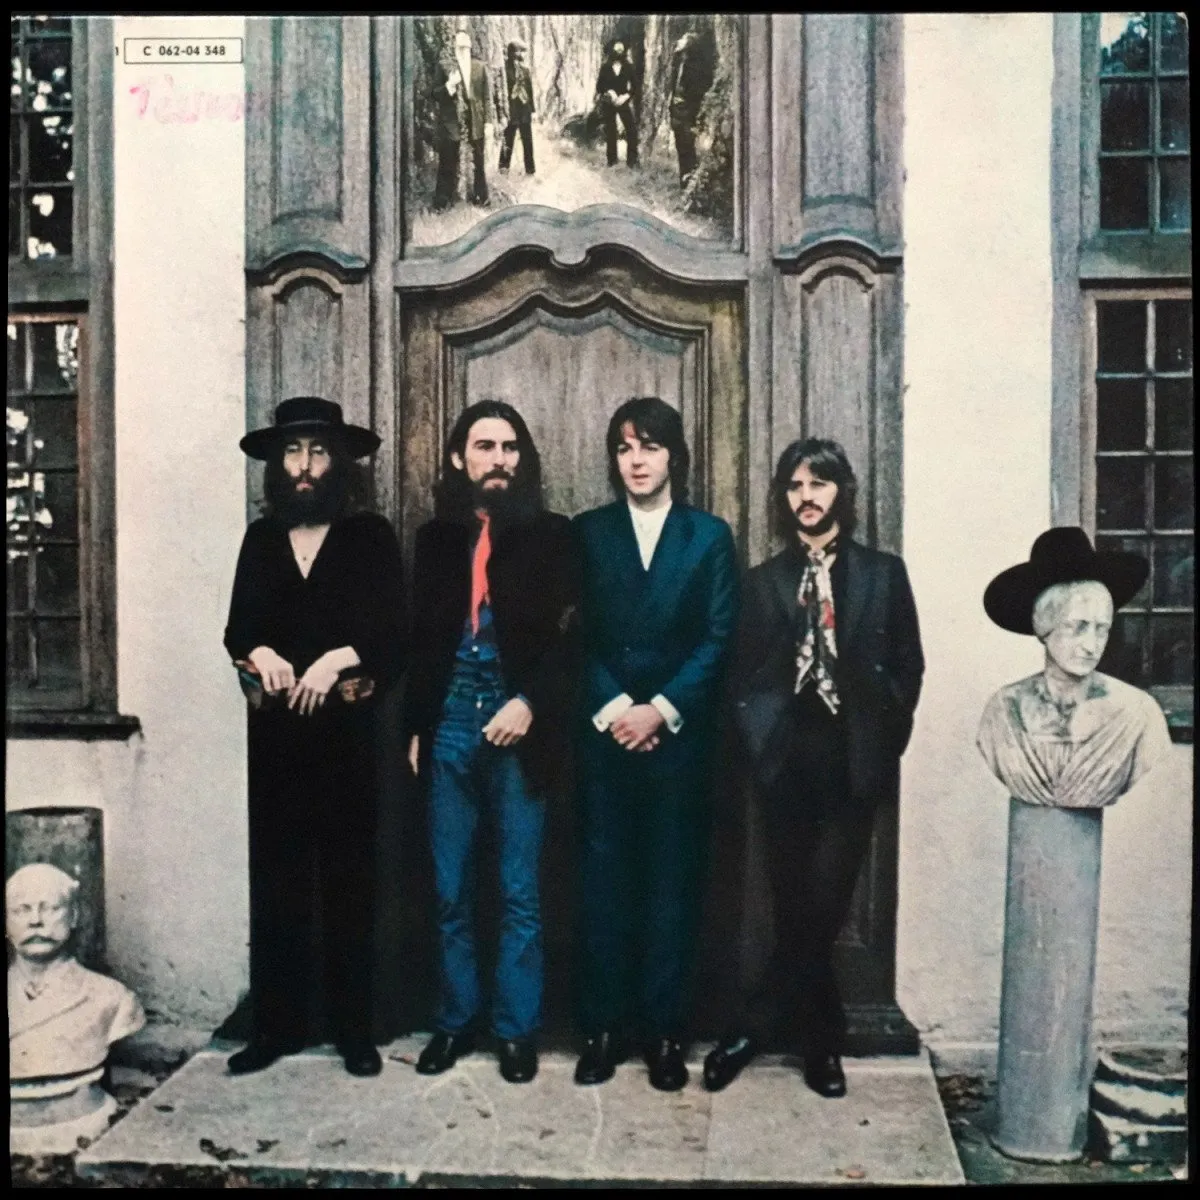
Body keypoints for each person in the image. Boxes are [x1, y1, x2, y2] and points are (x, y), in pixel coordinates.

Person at [703, 438, 925, 1098]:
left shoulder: (883, 574)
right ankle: (820, 1046)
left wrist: (884, 737)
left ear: (841, 494)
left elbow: (909, 666)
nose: (806, 497)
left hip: (852, 763)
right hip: (784, 763)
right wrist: (759, 743)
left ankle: (757, 1026)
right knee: (796, 903)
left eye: (818, 484)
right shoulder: (764, 581)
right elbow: (740, 675)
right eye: (795, 486)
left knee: (821, 906)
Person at [223, 396, 405, 1078]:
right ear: (277, 464)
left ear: (339, 463)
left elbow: (393, 630)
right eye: (293, 452)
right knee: (278, 882)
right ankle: (277, 1029)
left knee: (351, 882)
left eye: (319, 451)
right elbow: (238, 630)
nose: (304, 465)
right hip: (276, 743)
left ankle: (355, 1033)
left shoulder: (369, 538)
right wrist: (260, 651)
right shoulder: (261, 540)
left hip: (348, 741)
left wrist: (336, 660)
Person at [405, 400, 578, 1085]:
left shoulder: (552, 535)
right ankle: (455, 1022)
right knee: (450, 888)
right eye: (485, 446)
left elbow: (573, 639)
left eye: (510, 447)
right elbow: (422, 639)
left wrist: (530, 703)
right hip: (450, 719)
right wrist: (417, 727)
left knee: (518, 890)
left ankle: (515, 1030)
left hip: (518, 722)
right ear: (460, 458)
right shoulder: (435, 540)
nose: (499, 459)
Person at [572, 396, 738, 1092]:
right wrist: (618, 708)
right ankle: (603, 1030)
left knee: (672, 888)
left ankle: (666, 1033)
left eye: (650, 447)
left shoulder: (709, 536)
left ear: (675, 457)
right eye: (625, 448)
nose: (636, 461)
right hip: (606, 738)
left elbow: (719, 636)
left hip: (677, 742)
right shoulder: (588, 532)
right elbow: (572, 634)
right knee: (603, 887)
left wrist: (660, 711)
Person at [977, 527, 1172, 807]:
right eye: (1076, 627)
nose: (1091, 646)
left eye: (1101, 629)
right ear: (1044, 627)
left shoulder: (1137, 713)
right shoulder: (1004, 709)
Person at [8, 862, 145, 1080]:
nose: (36, 921)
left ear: (73, 916)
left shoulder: (113, 998)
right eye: (21, 910)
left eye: (51, 908)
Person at [431, 29, 492, 210]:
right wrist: (450, 85)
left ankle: (482, 198)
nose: (463, 51)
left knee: (478, 161)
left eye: (466, 47)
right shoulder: (445, 67)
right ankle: (442, 202)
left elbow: (487, 98)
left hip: (476, 120)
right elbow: (434, 94)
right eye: (460, 47)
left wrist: (488, 122)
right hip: (451, 121)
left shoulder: (480, 67)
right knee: (448, 161)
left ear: (471, 47)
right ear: (454, 48)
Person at [666, 31, 710, 186]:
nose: (679, 40)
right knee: (680, 147)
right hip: (676, 111)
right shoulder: (678, 62)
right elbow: (673, 86)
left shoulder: (697, 67)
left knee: (688, 147)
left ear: (690, 45)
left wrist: (685, 99)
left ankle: (690, 184)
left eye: (684, 39)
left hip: (688, 111)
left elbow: (699, 91)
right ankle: (683, 182)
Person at [594, 39, 639, 168]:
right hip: (609, 102)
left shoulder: (628, 66)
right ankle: (612, 161)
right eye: (617, 49)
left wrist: (626, 96)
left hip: (623, 101)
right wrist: (609, 92)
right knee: (610, 130)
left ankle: (632, 161)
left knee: (631, 129)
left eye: (621, 50)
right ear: (612, 50)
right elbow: (599, 86)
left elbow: (635, 87)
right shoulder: (605, 67)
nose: (619, 52)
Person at [496, 38, 535, 176]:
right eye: (518, 51)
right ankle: (503, 169)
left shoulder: (525, 70)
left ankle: (530, 170)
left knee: (528, 142)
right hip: (511, 112)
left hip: (524, 111)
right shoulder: (504, 71)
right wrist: (501, 113)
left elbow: (529, 90)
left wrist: (533, 110)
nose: (520, 54)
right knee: (508, 141)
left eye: (521, 52)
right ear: (511, 52)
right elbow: (500, 92)